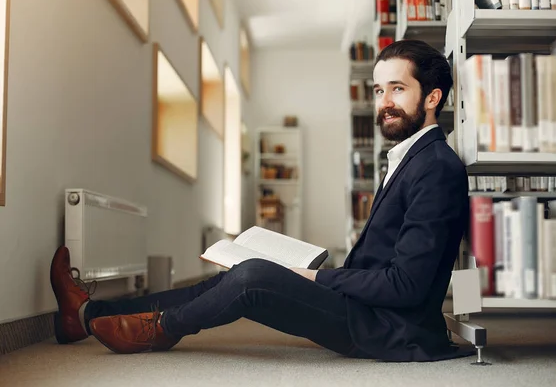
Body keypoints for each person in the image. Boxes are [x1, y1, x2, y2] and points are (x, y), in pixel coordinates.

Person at [50, 39, 471, 362]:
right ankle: (87, 314)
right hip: (365, 308)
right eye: (380, 90)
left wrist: (316, 280)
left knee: (252, 277)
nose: (384, 104)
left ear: (432, 97)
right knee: (228, 277)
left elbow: (407, 286)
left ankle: (160, 329)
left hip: (390, 329)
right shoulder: (410, 157)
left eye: (398, 89)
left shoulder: (435, 167)